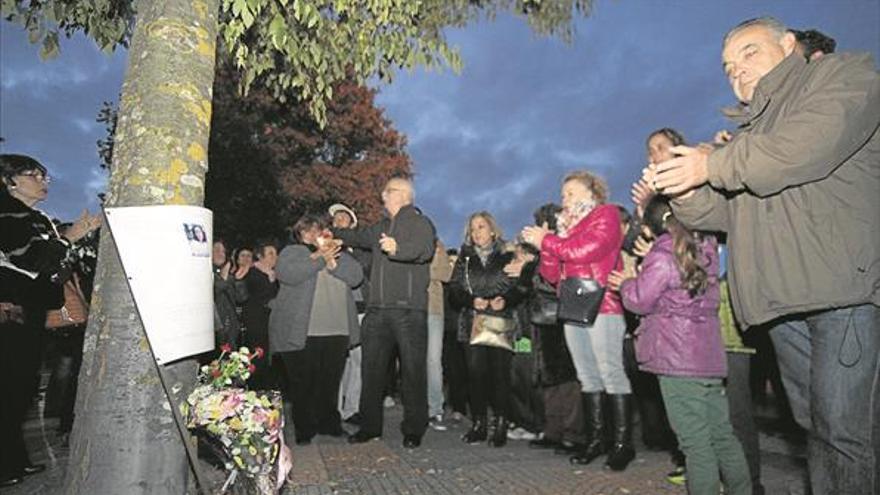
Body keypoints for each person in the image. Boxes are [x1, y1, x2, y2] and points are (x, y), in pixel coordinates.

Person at [649, 16, 879, 494]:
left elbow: (803, 149)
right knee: (818, 427)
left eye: (749, 53)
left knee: (843, 431)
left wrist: (712, 163)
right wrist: (682, 186)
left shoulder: (843, 77)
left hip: (845, 291)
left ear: (788, 44)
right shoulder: (748, 136)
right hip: (783, 302)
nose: (737, 71)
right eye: (728, 67)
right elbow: (722, 213)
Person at [609, 195, 750, 495]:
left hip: (677, 359)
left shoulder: (661, 256)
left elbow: (639, 300)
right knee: (723, 435)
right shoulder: (706, 249)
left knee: (695, 444)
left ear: (649, 229)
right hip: (710, 358)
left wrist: (626, 282)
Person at [521, 170, 634, 470]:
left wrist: (549, 241)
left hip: (604, 306)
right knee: (587, 375)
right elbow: (550, 274)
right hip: (574, 305)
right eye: (563, 194)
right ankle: (595, 440)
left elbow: (585, 251)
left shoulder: (606, 215)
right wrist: (547, 244)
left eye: (571, 192)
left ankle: (623, 444)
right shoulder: (565, 228)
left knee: (610, 371)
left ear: (591, 191)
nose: (565, 199)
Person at [0, 154, 100, 488]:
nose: (44, 181)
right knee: (10, 388)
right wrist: (69, 237)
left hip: (31, 314)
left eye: (46, 176)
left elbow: (53, 267)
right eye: (34, 175)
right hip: (9, 313)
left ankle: (14, 460)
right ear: (10, 180)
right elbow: (32, 259)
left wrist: (71, 242)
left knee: (22, 389)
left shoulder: (36, 217)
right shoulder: (8, 214)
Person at [333, 176, 436, 449]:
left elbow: (424, 250)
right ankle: (370, 427)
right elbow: (356, 236)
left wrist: (397, 248)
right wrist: (330, 233)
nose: (383, 196)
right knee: (371, 370)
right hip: (377, 311)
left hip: (408, 310)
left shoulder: (420, 223)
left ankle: (414, 429)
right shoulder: (379, 227)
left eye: (387, 192)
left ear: (403, 194)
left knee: (412, 372)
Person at [269, 214, 363, 444]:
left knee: (330, 383)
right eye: (308, 231)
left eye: (318, 230)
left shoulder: (340, 253)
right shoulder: (292, 253)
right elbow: (287, 274)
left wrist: (333, 263)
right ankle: (305, 429)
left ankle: (329, 424)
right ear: (300, 235)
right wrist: (321, 259)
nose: (313, 234)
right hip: (304, 330)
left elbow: (356, 277)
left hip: (337, 327)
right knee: (303, 384)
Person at [448, 212, 523, 447]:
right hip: (472, 321)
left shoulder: (507, 255)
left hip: (499, 320)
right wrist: (471, 301)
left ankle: (501, 423)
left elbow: (520, 287)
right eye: (473, 229)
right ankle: (479, 424)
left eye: (481, 227)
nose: (476, 232)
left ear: (492, 230)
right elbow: (454, 290)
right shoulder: (465, 258)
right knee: (475, 376)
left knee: (500, 375)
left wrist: (506, 299)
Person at [242, 239, 279, 390]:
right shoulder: (253, 273)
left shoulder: (274, 275)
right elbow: (264, 296)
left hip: (270, 323)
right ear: (260, 256)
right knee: (258, 357)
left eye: (276, 254)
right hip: (257, 323)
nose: (274, 257)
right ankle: (257, 389)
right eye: (270, 254)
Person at [427, 240, 453, 431]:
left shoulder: (437, 246)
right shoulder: (400, 243)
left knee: (434, 360)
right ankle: (417, 406)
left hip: (433, 309)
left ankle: (435, 407)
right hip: (409, 308)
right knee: (411, 361)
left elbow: (446, 274)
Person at [212, 239, 248, 348]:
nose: (221, 254)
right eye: (217, 250)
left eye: (223, 251)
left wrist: (238, 280)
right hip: (216, 330)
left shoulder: (229, 275)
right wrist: (224, 278)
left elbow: (241, 297)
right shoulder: (206, 272)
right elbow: (215, 291)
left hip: (231, 328)